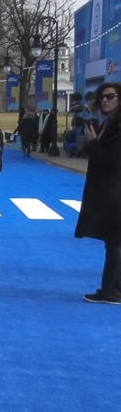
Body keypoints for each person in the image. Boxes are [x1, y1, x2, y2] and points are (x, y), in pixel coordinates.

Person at [74, 82, 121, 304]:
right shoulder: (109, 124)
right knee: (113, 243)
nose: (105, 100)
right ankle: (112, 288)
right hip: (109, 189)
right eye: (102, 97)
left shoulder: (117, 126)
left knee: (115, 243)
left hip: (115, 191)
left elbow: (113, 162)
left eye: (110, 96)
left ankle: (111, 290)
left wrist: (92, 144)